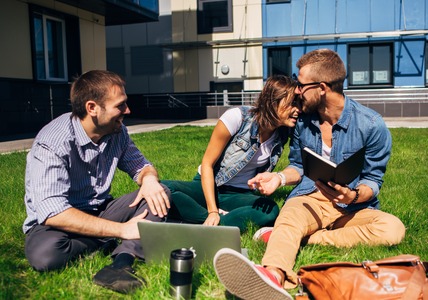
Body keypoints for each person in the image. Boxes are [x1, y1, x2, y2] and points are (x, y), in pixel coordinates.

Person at [213, 49, 406, 299]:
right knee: (291, 216)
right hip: (309, 197)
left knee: (393, 228)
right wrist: (279, 178)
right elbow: (298, 165)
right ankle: (273, 275)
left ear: (322, 88)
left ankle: (300, 237)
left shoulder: (371, 125)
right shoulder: (303, 121)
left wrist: (353, 196)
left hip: (351, 207)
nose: (296, 90)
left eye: (301, 84)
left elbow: (373, 179)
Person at [23, 70, 171, 293]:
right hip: (56, 225)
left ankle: (123, 260)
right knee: (45, 256)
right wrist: (121, 230)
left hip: (99, 210)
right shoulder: (53, 142)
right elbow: (53, 212)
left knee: (160, 193)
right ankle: (111, 239)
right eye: (120, 105)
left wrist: (149, 179)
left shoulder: (117, 131)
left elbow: (141, 166)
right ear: (92, 108)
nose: (128, 111)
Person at [161, 75, 300, 232]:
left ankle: (205, 221)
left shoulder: (283, 133)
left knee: (270, 210)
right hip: (209, 185)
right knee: (163, 188)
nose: (297, 109)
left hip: (238, 193)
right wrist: (213, 211)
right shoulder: (237, 117)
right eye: (292, 103)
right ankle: (217, 219)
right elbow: (207, 164)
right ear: (273, 102)